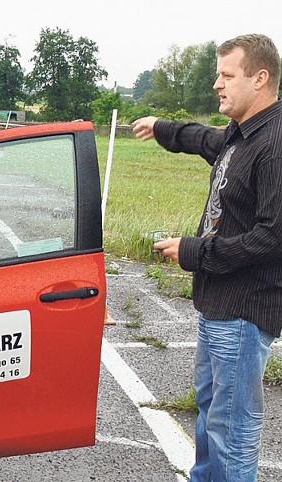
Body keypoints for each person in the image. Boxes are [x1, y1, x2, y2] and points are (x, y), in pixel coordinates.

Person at [132, 33, 281, 481]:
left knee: (231, 427)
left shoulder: (275, 144)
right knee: (211, 414)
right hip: (217, 304)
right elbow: (206, 141)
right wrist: (162, 127)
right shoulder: (242, 134)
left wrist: (193, 250)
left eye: (226, 75)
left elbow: (273, 237)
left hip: (244, 308)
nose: (217, 84)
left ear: (260, 78)